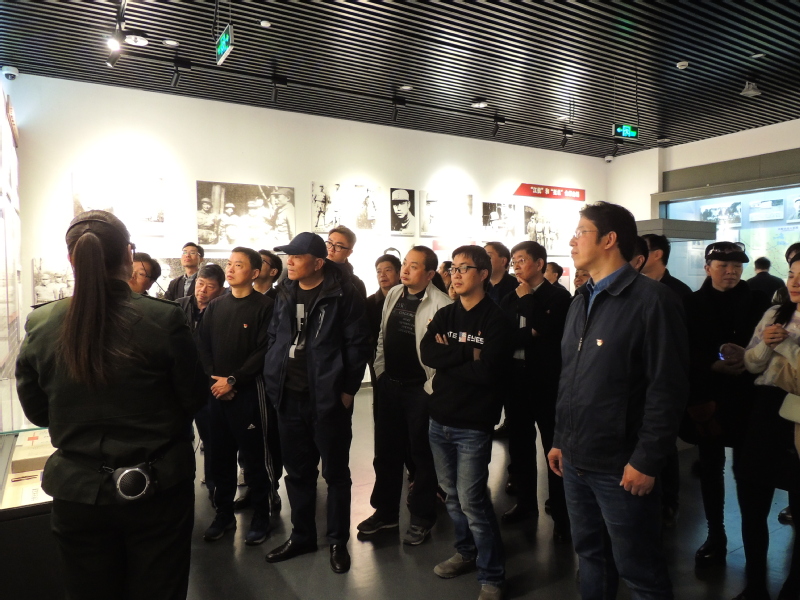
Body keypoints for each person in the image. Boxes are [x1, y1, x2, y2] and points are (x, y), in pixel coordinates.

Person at [16, 210, 205, 600]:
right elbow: (193, 398)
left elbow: (37, 412)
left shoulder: (43, 323)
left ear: (71, 259)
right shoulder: (162, 319)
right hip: (158, 487)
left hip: (78, 491)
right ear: (128, 256)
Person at [547, 202, 689, 600]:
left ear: (609, 239)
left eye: (581, 232)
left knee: (640, 570)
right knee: (590, 557)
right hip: (576, 458)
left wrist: (646, 460)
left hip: (621, 465)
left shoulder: (652, 301)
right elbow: (570, 377)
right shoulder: (581, 299)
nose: (572, 241)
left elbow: (667, 388)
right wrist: (560, 438)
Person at [263, 232, 370, 574]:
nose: (290, 262)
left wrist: (348, 390)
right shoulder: (285, 289)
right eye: (288, 256)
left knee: (335, 473)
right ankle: (302, 536)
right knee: (297, 473)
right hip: (288, 396)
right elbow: (275, 335)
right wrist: (272, 374)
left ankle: (337, 540)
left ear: (318, 262)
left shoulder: (344, 293)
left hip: (327, 398)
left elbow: (357, 344)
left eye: (297, 257)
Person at [421, 245, 514, 600]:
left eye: (464, 268)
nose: (456, 274)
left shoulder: (496, 320)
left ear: (483, 274)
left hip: (473, 424)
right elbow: (428, 353)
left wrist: (449, 360)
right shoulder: (446, 314)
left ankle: (492, 575)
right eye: (453, 268)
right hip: (439, 419)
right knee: (452, 496)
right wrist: (465, 353)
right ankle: (466, 552)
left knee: (473, 501)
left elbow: (489, 372)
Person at [683, 241, 770, 568]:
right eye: (723, 266)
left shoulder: (758, 301)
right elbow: (682, 349)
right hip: (709, 397)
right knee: (710, 468)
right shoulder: (691, 303)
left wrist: (749, 358)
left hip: (750, 399)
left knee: (749, 474)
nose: (731, 272)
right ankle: (715, 534)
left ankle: (754, 543)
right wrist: (711, 364)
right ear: (708, 268)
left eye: (737, 266)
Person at [360, 246, 452, 545]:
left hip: (419, 390)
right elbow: (382, 337)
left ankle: (422, 517)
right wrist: (380, 371)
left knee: (422, 455)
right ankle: (385, 513)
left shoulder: (442, 304)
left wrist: (430, 388)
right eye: (405, 264)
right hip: (390, 385)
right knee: (386, 453)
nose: (405, 270)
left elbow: (444, 354)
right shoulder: (395, 294)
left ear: (430, 273)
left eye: (414, 266)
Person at [197, 247, 278, 546]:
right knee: (220, 458)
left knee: (255, 460)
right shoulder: (216, 306)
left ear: (255, 273)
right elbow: (202, 345)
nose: (230, 269)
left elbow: (264, 350)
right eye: (229, 264)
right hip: (216, 394)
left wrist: (233, 380)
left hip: (249, 395)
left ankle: (262, 516)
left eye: (238, 265)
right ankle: (224, 515)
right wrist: (215, 381)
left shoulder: (265, 307)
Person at [736, 256, 800, 600]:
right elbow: (750, 363)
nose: (795, 283)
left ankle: (793, 588)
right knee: (752, 501)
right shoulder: (775, 313)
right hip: (764, 412)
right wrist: (766, 344)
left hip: (798, 417)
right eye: (791, 275)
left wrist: (787, 345)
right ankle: (755, 585)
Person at [499, 241, 572, 542]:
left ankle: (562, 513)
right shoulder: (509, 297)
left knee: (553, 448)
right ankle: (525, 503)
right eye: (514, 261)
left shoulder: (559, 296)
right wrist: (528, 333)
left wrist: (529, 301)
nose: (516, 265)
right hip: (516, 380)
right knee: (519, 445)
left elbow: (546, 329)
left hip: (547, 382)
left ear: (540, 264)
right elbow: (504, 336)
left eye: (522, 260)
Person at [640, 233, 692, 528]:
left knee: (665, 445)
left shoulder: (677, 293)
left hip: (664, 383)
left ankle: (668, 501)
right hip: (639, 387)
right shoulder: (635, 291)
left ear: (657, 254)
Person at [176, 264, 226, 501]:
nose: (202, 290)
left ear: (220, 289)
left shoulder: (223, 309)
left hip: (209, 385)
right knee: (180, 437)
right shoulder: (179, 306)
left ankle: (215, 488)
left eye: (210, 286)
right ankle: (181, 484)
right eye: (200, 284)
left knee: (212, 439)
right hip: (182, 384)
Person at [641, 234, 693, 299]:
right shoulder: (634, 287)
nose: (637, 257)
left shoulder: (680, 291)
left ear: (657, 254)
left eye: (642, 251)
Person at [326, 225, 367, 298]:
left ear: (349, 252)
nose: (331, 249)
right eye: (329, 242)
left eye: (338, 246)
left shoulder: (356, 284)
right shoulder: (312, 273)